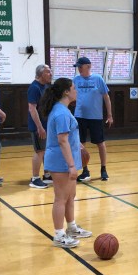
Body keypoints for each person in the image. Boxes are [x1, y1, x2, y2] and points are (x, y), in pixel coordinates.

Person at [39, 77, 91, 249]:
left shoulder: (63, 110)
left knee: (70, 196)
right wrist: (70, 166)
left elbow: (67, 136)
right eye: (74, 88)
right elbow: (62, 140)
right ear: (66, 92)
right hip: (61, 162)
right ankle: (59, 235)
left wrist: (79, 145)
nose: (76, 91)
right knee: (60, 198)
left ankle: (71, 227)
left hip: (68, 159)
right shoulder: (61, 112)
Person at [72, 56, 113, 182]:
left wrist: (110, 115)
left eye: (80, 66)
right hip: (79, 116)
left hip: (95, 117)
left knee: (100, 143)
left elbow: (106, 97)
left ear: (88, 66)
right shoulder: (76, 80)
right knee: (80, 144)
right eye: (77, 67)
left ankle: (103, 169)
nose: (78, 69)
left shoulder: (98, 79)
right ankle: (85, 170)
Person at [27, 63, 53, 188]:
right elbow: (32, 108)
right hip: (38, 126)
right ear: (41, 74)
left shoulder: (45, 87)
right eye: (48, 72)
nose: (51, 74)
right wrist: (39, 127)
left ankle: (47, 175)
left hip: (45, 124)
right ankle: (35, 178)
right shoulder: (34, 88)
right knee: (39, 151)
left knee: (46, 151)